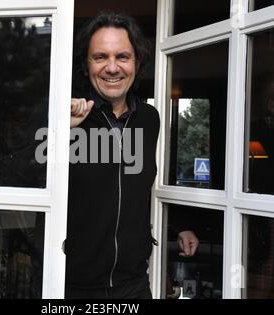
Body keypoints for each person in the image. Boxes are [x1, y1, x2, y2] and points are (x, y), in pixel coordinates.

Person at [65, 11, 198, 299]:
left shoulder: (149, 119)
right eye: (100, 57)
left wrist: (180, 225)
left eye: (122, 57)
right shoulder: (65, 114)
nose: (112, 68)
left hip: (133, 284)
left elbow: (139, 182)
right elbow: (22, 178)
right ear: (86, 65)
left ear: (137, 63)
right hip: (73, 286)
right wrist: (61, 132)